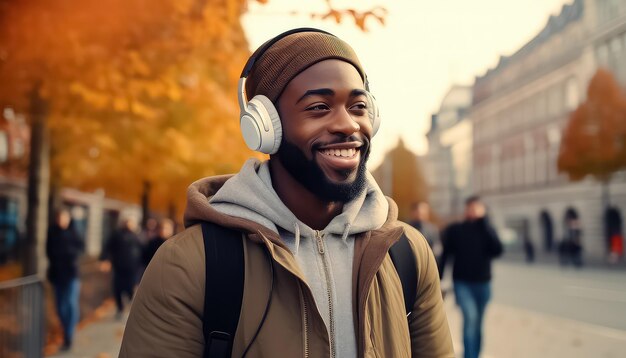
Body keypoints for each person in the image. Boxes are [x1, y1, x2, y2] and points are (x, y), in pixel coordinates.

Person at [120, 28, 454, 357]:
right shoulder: (188, 266)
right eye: (319, 107)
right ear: (265, 127)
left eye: (358, 107)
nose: (348, 125)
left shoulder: (408, 254)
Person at [438, 195, 503, 358]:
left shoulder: (488, 230)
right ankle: (469, 355)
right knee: (470, 319)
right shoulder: (455, 230)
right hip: (462, 283)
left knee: (478, 323)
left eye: (477, 208)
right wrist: (437, 278)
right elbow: (446, 255)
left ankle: (476, 354)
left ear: (483, 210)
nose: (473, 211)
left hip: (483, 284)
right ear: (466, 209)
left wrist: (485, 224)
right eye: (470, 207)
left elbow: (497, 250)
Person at [46, 208, 84, 351]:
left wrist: (70, 253)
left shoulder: (74, 232)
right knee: (60, 307)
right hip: (57, 275)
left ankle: (69, 335)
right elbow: (48, 251)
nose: (62, 221)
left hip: (72, 274)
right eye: (60, 218)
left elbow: (82, 247)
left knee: (71, 304)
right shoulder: (52, 232)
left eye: (65, 218)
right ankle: (67, 329)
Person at [99, 216, 143, 319]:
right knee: (118, 288)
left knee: (130, 289)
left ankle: (129, 307)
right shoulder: (117, 235)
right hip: (119, 267)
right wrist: (104, 259)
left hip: (133, 268)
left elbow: (143, 251)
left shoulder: (137, 236)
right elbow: (107, 247)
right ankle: (120, 308)